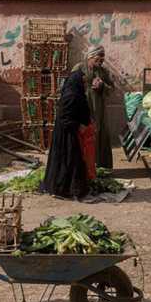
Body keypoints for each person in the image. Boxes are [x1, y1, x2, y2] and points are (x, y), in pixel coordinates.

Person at [40, 69, 93, 199]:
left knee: (71, 159)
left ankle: (69, 187)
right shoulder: (71, 95)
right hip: (66, 134)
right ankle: (65, 188)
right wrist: (77, 125)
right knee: (69, 159)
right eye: (83, 82)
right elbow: (64, 118)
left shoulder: (76, 93)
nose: (85, 85)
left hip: (69, 131)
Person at [72, 45, 114, 170]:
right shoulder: (79, 68)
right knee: (84, 135)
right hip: (82, 107)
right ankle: (83, 167)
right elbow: (70, 85)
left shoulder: (104, 72)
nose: (101, 62)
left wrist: (102, 86)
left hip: (99, 109)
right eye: (98, 59)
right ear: (90, 57)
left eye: (102, 59)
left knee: (99, 134)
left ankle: (100, 167)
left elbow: (111, 89)